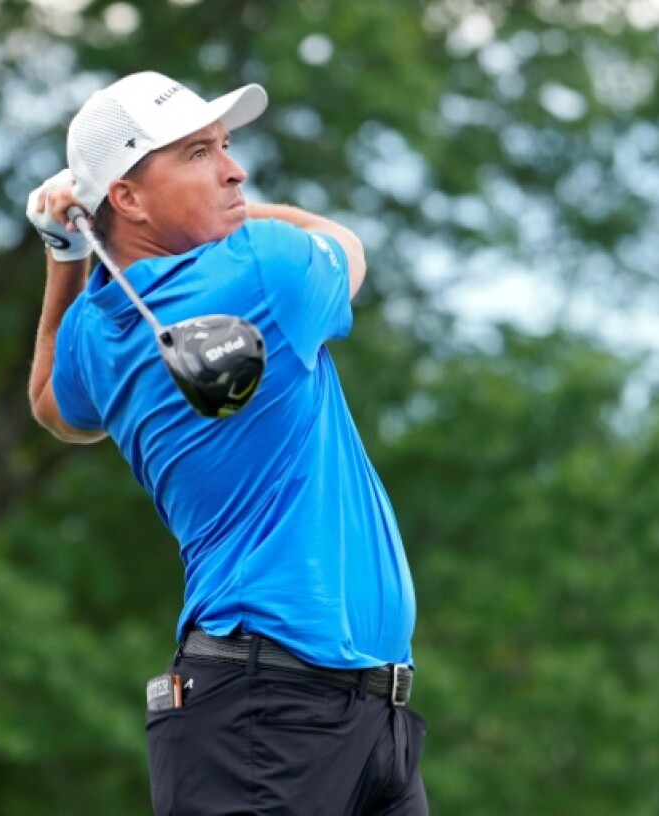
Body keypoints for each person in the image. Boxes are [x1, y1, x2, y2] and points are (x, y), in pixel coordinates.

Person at [24, 70, 426, 815]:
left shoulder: (96, 327)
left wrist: (63, 254)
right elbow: (344, 243)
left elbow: (53, 406)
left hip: (360, 715)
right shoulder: (264, 268)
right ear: (128, 198)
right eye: (199, 154)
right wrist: (251, 215)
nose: (235, 171)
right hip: (267, 709)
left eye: (227, 146)